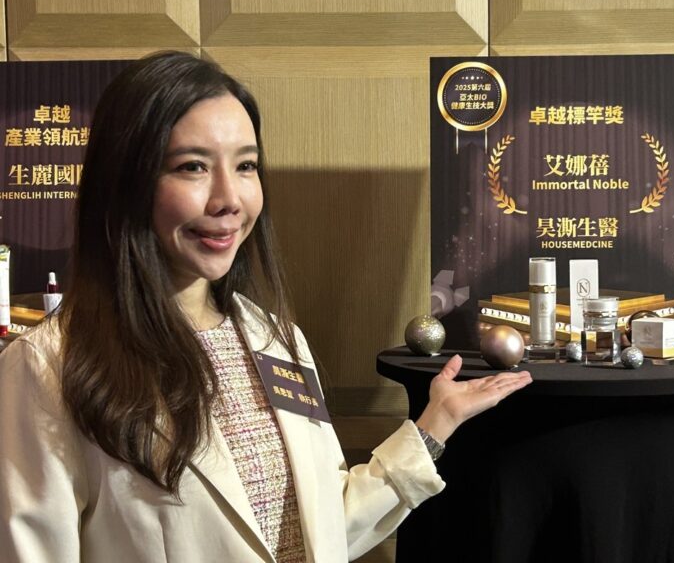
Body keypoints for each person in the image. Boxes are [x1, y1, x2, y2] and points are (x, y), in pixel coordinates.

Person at [0, 51, 532, 562]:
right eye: (192, 166)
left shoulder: (275, 339)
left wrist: (435, 424)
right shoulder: (48, 369)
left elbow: (324, 526)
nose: (229, 199)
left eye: (246, 165)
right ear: (125, 181)